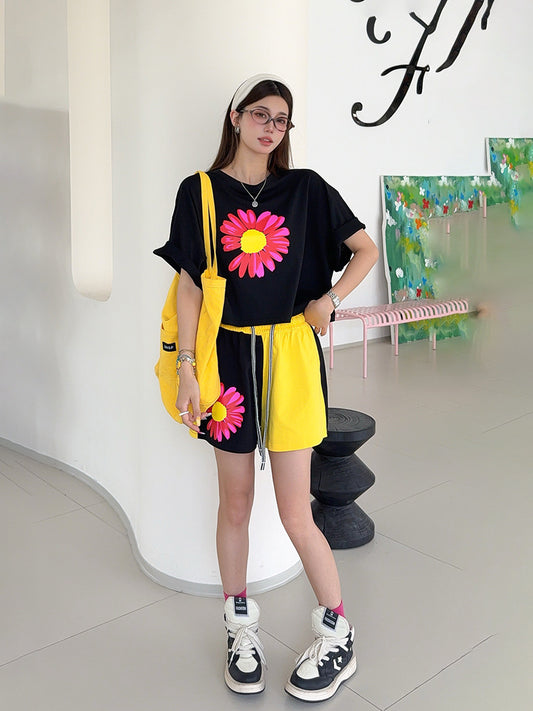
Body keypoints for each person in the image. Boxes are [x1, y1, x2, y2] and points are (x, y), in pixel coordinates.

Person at [154, 74, 379, 702]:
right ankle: (239, 627)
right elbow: (191, 284)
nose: (271, 128)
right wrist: (187, 367)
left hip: (290, 355)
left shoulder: (305, 189)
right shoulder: (199, 191)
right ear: (235, 116)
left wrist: (329, 300)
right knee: (234, 503)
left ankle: (338, 632)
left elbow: (364, 249)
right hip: (226, 359)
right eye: (260, 114)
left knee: (294, 510)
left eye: (281, 119)